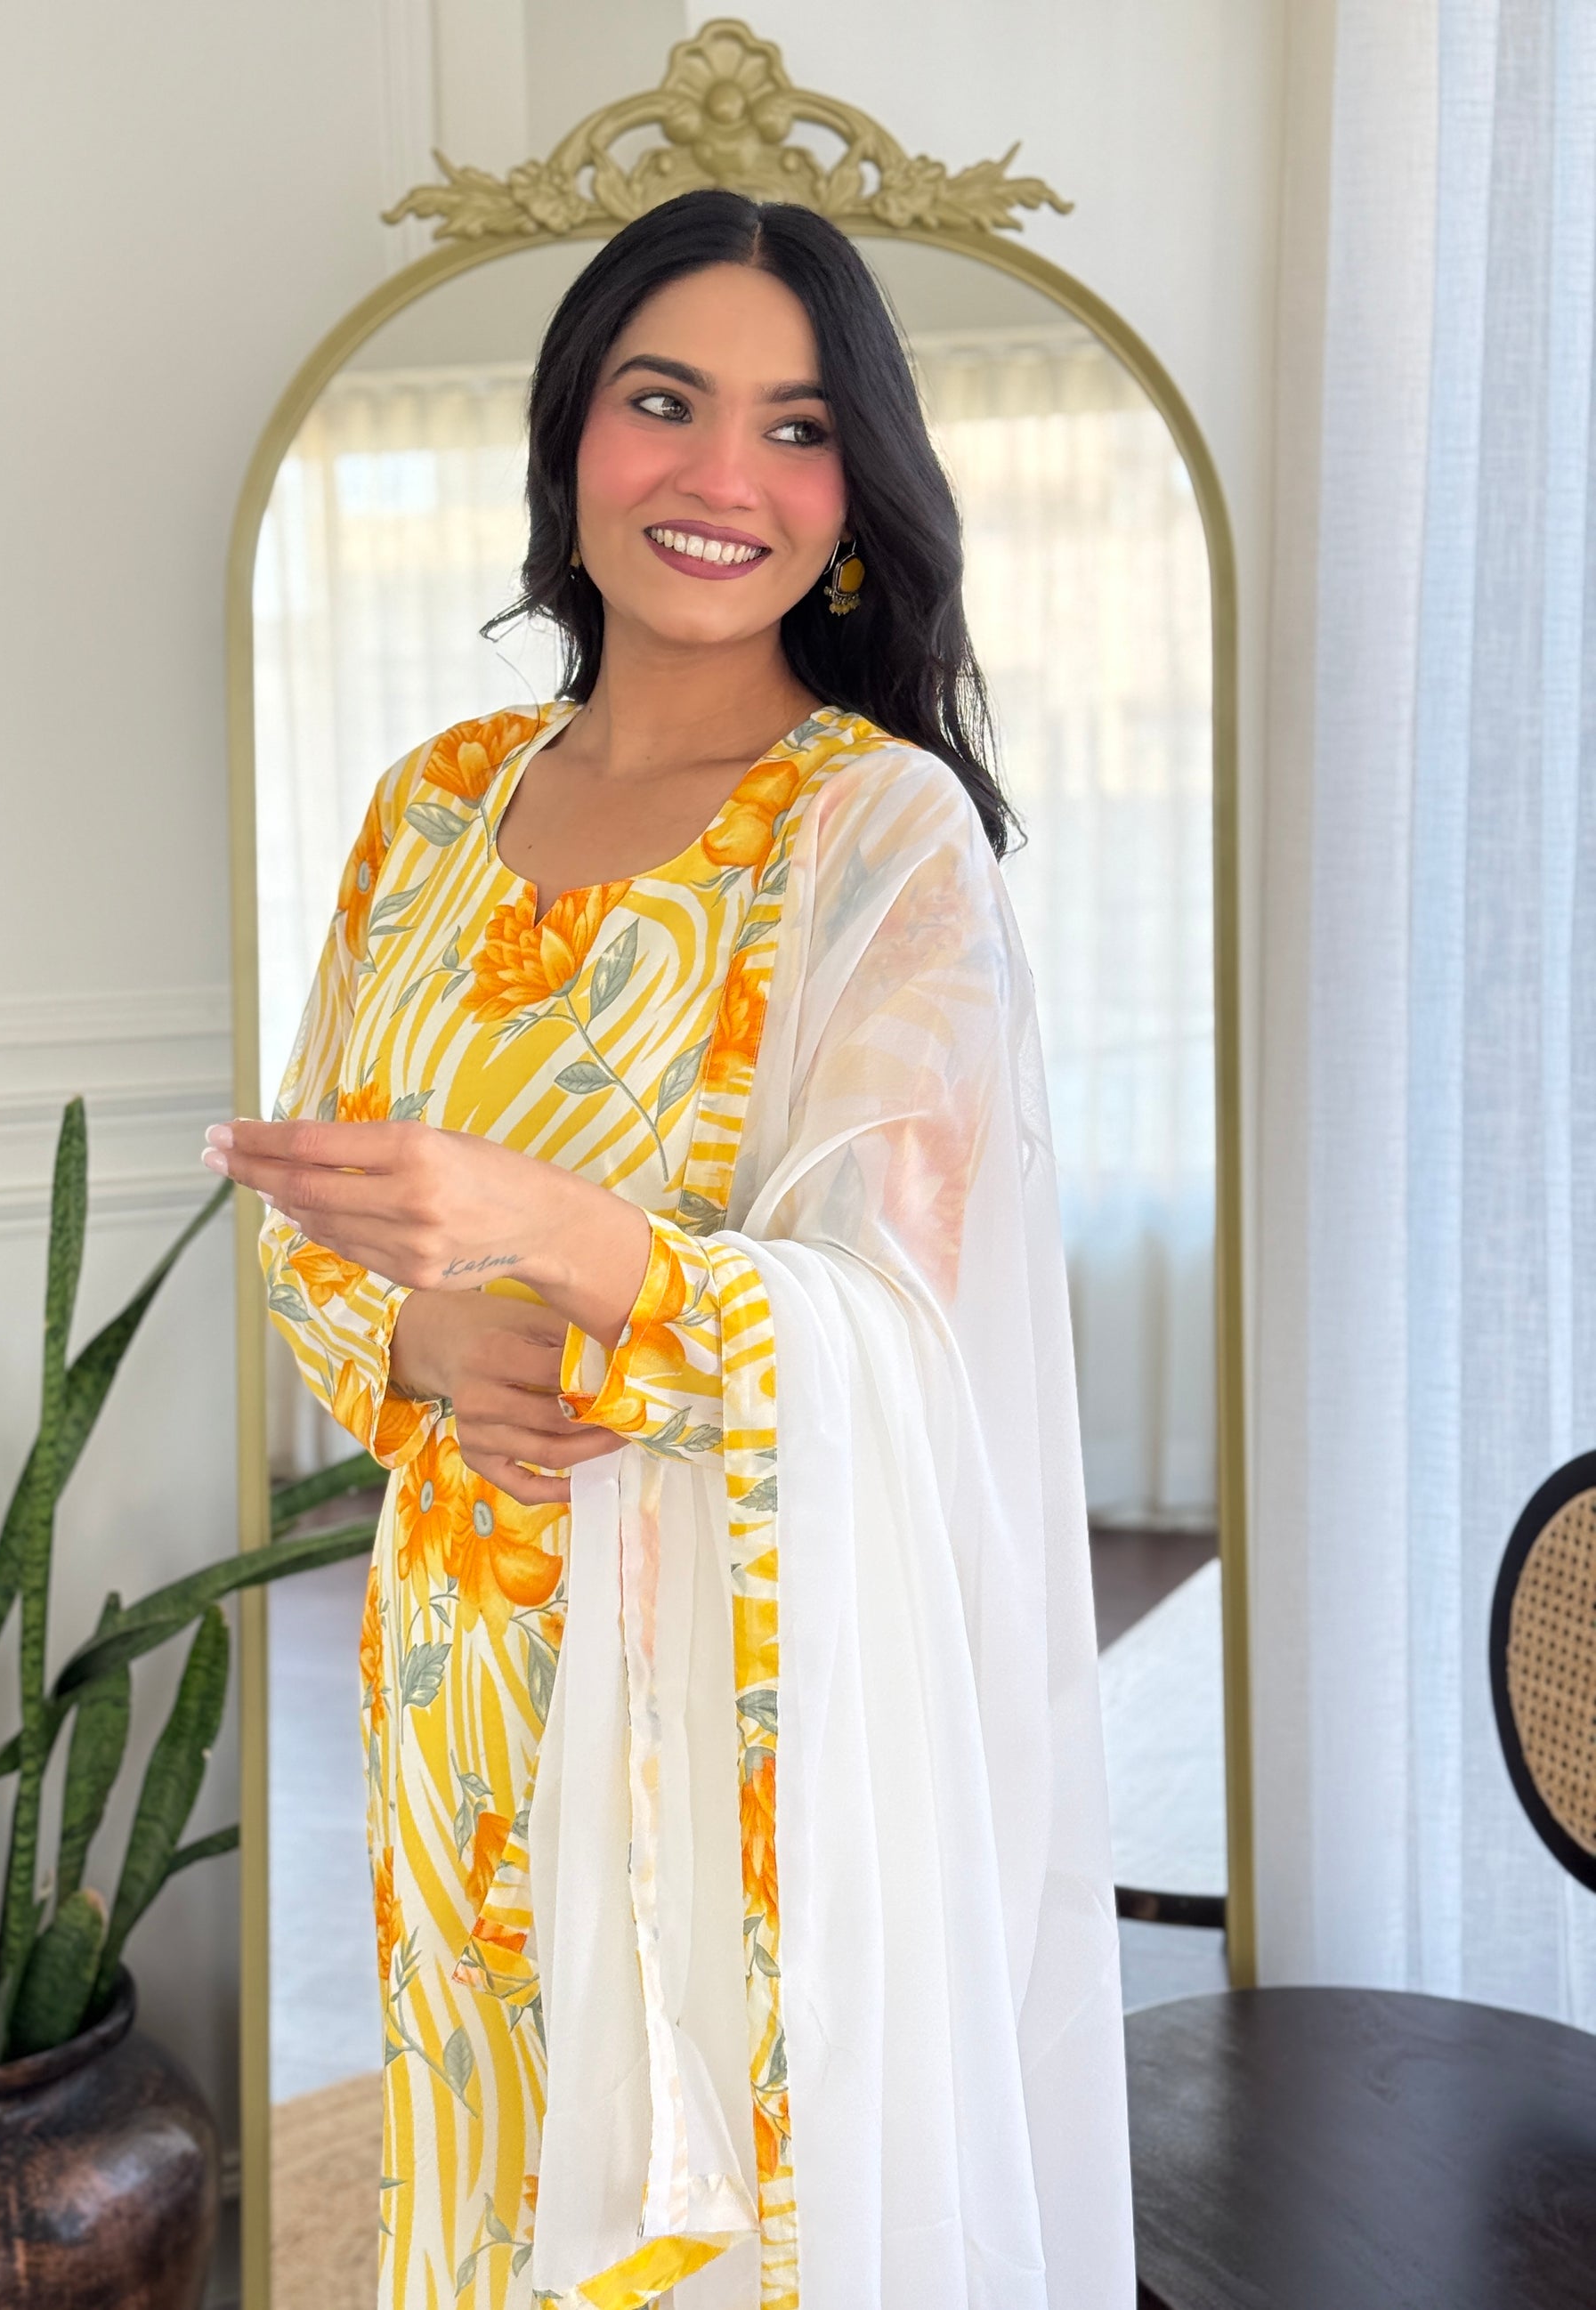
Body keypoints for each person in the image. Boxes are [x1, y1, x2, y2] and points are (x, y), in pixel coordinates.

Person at [206, 187, 1132, 2310]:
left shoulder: (875, 831)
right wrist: (429, 1341)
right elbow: (313, 1228)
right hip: (455, 1671)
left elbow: (910, 1341)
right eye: (663, 401)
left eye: (797, 428)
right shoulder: (430, 806)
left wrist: (551, 1231)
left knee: (723, 2213)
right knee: (487, 2181)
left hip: (744, 1705)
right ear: (569, 437)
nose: (724, 475)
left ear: (856, 492)